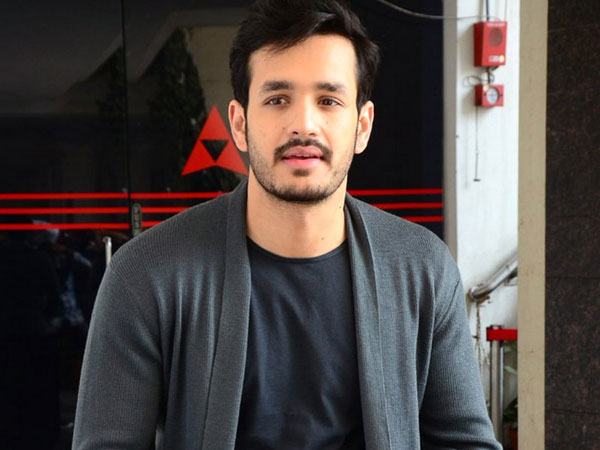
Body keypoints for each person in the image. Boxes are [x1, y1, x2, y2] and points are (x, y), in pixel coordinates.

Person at [73, 1, 501, 449]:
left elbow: (465, 442)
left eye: (328, 101)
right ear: (240, 123)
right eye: (278, 99)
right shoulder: (147, 273)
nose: (303, 124)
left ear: (362, 126)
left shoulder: (422, 267)